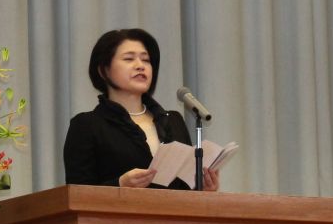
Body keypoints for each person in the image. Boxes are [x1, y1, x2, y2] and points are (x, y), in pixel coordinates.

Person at [63, 28, 222, 190]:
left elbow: (183, 189)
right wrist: (120, 185)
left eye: (146, 60)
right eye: (129, 59)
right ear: (104, 71)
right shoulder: (87, 125)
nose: (140, 66)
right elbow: (76, 193)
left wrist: (202, 189)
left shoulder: (173, 121)